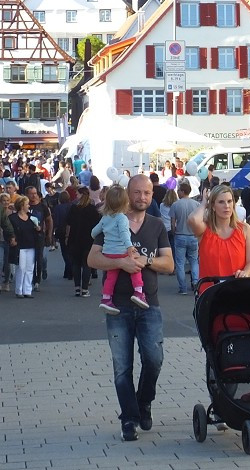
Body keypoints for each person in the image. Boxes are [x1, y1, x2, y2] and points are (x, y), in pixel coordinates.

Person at [86, 175, 174, 442]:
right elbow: (92, 258)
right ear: (128, 193)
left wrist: (145, 261)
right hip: (118, 307)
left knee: (154, 359)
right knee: (122, 367)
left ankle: (143, 402)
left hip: (149, 304)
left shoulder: (157, 225)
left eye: (147, 193)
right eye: (137, 193)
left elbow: (168, 264)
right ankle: (129, 418)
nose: (143, 198)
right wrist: (121, 264)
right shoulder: (111, 219)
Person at [187, 183, 250, 293]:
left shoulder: (244, 229)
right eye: (221, 202)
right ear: (213, 206)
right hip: (210, 294)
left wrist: (245, 273)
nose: (227, 206)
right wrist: (204, 202)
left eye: (230, 201)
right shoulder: (205, 229)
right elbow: (193, 220)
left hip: (239, 291)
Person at [92, 185, 149, 313]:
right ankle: (138, 292)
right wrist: (129, 247)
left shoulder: (105, 218)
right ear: (125, 202)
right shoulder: (122, 218)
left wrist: (94, 235)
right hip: (121, 251)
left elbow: (94, 231)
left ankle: (106, 298)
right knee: (135, 268)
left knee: (111, 277)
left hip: (108, 253)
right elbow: (124, 233)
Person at [65, 186, 101, 297]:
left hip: (74, 239)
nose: (76, 196)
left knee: (76, 264)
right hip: (88, 239)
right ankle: (84, 289)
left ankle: (77, 288)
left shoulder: (74, 208)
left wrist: (67, 237)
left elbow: (68, 224)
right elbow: (97, 226)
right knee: (86, 264)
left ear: (81, 195)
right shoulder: (92, 209)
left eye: (77, 194)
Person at [168, 179, 201, 294]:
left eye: (179, 190)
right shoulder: (196, 204)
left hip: (180, 235)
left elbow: (173, 222)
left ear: (182, 191)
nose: (177, 192)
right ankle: (196, 284)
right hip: (193, 236)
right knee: (194, 261)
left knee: (180, 263)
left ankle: (183, 288)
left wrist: (173, 232)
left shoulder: (175, 205)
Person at [8, 195, 41, 298]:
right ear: (22, 206)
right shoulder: (13, 218)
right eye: (27, 204)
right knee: (21, 268)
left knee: (30, 268)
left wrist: (38, 229)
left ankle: (27, 290)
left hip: (31, 245)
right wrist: (12, 239)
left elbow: (38, 230)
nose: (28, 206)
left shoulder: (32, 217)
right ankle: (19, 290)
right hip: (20, 246)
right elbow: (9, 231)